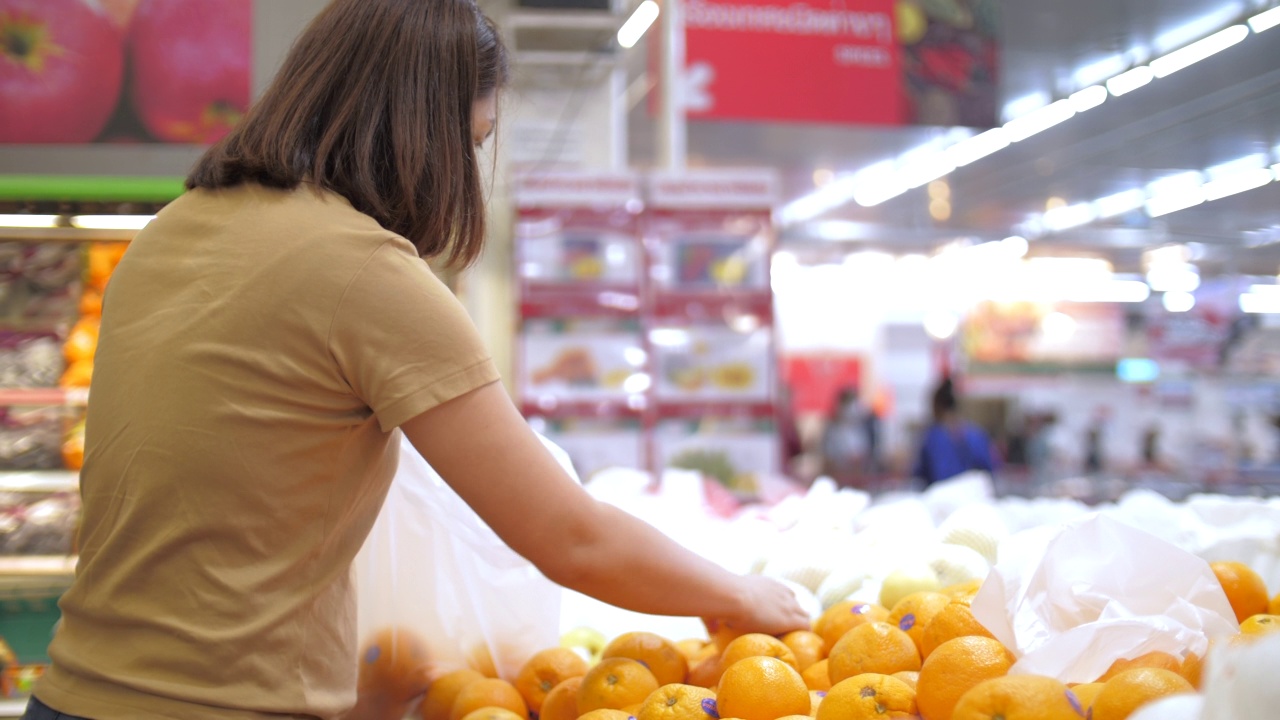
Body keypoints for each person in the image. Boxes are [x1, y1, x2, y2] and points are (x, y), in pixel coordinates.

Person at [26, 2, 808, 720]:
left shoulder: (171, 230)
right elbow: (571, 537)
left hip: (69, 693)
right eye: (469, 142)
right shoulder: (361, 270)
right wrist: (741, 593)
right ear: (417, 129)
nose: (465, 173)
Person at [912, 377, 997, 487]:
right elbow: (989, 470)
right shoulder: (977, 434)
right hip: (973, 498)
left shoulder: (933, 438)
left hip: (942, 497)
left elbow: (920, 473)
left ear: (937, 406)